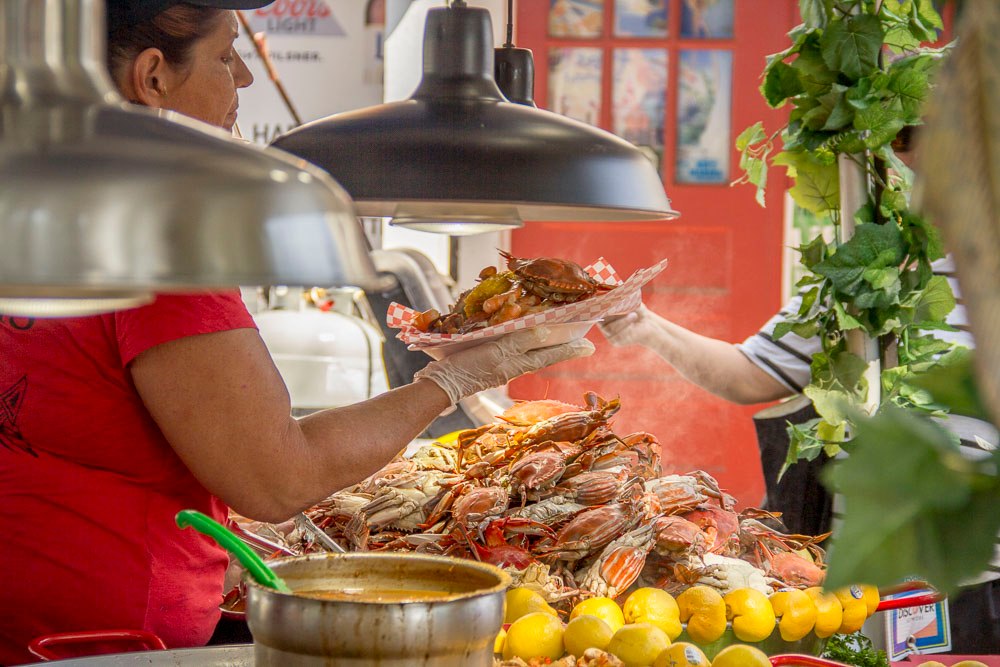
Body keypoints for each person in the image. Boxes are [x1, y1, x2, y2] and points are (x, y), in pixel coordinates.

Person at [0, 2, 594, 664]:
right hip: (105, 648)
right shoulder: (157, 237)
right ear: (154, 77)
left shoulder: (40, 206)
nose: (245, 79)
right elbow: (278, 479)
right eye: (226, 57)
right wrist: (449, 381)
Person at [597, 132, 1000, 653]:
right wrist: (645, 326)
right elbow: (749, 373)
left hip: (983, 589)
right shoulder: (870, 271)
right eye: (903, 138)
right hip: (860, 598)